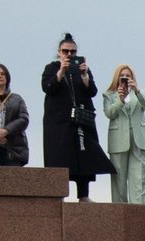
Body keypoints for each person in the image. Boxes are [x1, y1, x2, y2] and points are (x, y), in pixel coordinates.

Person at [40, 34, 115, 201]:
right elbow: (48, 87)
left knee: (84, 155)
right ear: (59, 52)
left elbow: (93, 91)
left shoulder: (83, 69)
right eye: (65, 51)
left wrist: (85, 76)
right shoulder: (51, 68)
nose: (69, 55)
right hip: (59, 122)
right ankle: (58, 194)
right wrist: (61, 72)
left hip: (81, 120)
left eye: (73, 52)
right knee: (59, 157)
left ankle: (84, 195)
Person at [101, 64, 145, 203]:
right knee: (119, 179)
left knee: (140, 178)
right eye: (122, 76)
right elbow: (109, 113)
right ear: (117, 78)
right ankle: (120, 211)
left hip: (139, 139)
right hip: (118, 140)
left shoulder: (140, 93)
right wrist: (120, 99)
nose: (125, 78)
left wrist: (137, 91)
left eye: (128, 76)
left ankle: (140, 211)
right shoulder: (109, 95)